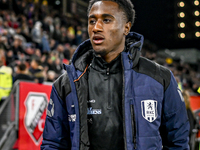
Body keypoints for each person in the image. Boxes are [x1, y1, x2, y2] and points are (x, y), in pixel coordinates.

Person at [41, 0, 190, 149]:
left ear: (126, 27)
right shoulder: (66, 83)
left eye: (106, 20)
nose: (96, 27)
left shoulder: (160, 78)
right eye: (92, 21)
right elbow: (53, 144)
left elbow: (178, 142)